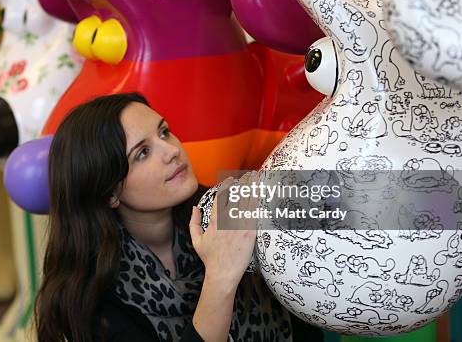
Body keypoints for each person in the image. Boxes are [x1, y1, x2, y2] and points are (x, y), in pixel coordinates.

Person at [35, 92, 312, 342]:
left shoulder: (221, 206)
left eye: (164, 132)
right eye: (142, 153)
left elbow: (348, 202)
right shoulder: (96, 301)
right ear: (110, 193)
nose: (172, 150)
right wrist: (219, 278)